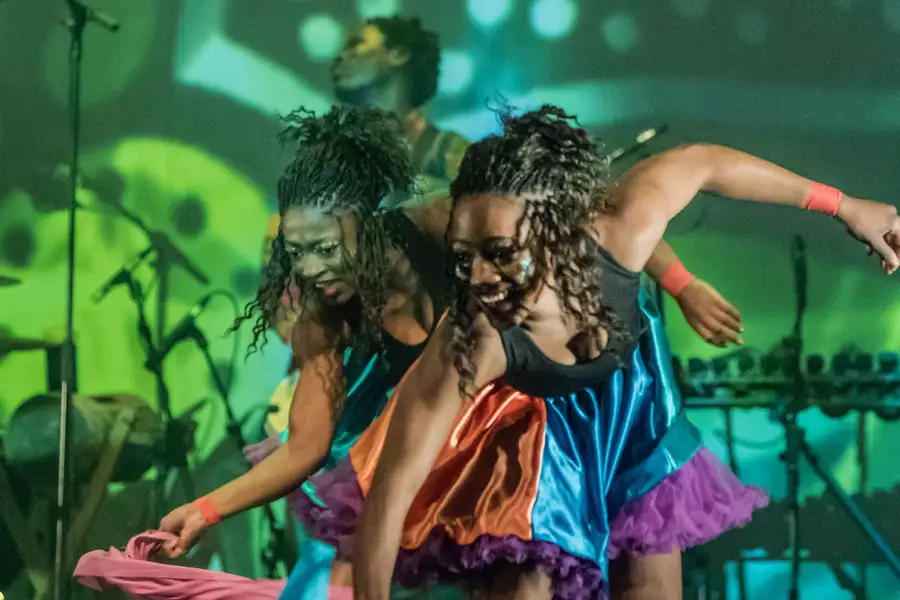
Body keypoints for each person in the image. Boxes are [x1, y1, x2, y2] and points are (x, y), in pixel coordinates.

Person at [297, 105, 900, 600]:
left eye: (501, 253)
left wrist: (845, 206)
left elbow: (702, 162)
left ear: (557, 236)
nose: (478, 277)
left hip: (630, 399)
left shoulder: (620, 234)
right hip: (535, 422)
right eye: (463, 257)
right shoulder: (473, 341)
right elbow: (388, 502)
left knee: (652, 583)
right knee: (523, 583)